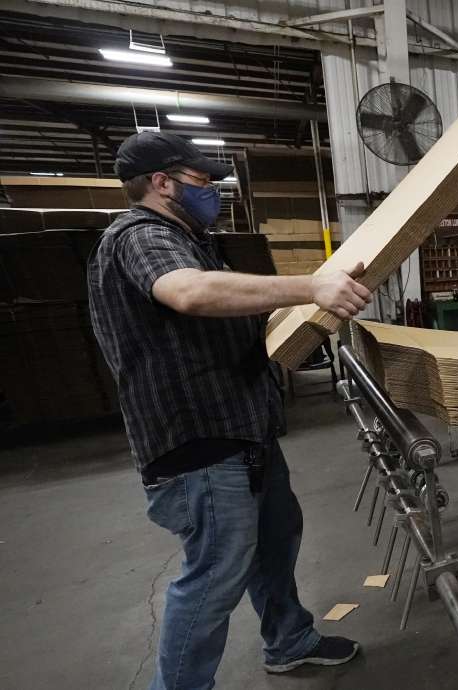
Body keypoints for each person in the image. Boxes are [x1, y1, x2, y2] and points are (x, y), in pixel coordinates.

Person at [87, 132, 372, 690]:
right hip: (200, 440)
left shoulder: (193, 238)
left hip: (244, 430)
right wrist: (311, 287)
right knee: (216, 573)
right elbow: (189, 294)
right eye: (201, 182)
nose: (213, 191)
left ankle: (289, 641)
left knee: (274, 540)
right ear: (160, 183)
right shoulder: (141, 236)